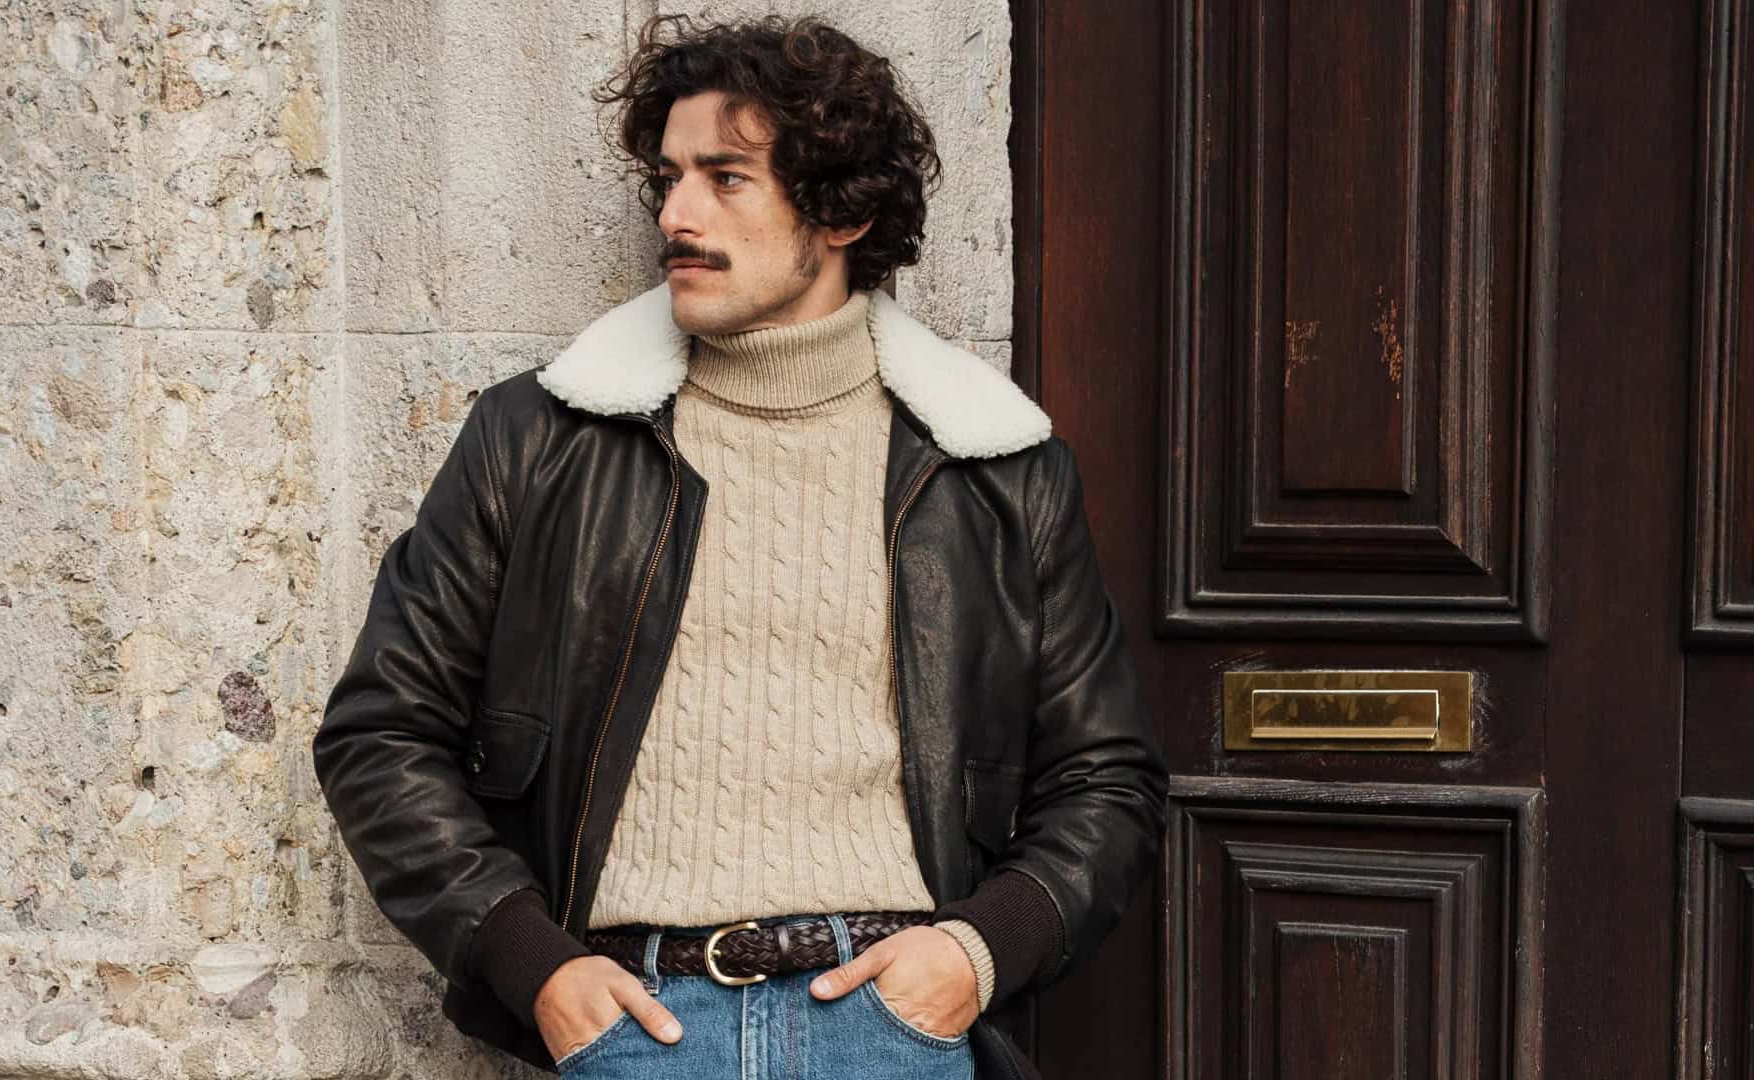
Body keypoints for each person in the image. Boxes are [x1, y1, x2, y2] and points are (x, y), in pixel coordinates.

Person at [312, 13, 1167, 1079]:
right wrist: (534, 964)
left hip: (892, 1027)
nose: (676, 213)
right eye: (668, 178)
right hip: (636, 1025)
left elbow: (1106, 778)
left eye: (725, 178)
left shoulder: (994, 469)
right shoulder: (536, 441)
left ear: (843, 209)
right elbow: (381, 732)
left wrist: (977, 953)